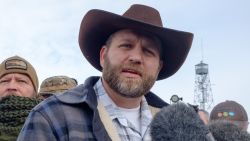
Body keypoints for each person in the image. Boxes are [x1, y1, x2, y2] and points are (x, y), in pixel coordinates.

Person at [17, 4, 193, 140]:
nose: (136, 57)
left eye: (148, 51)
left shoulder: (181, 127)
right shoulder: (51, 117)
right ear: (103, 55)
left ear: (159, 67)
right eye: (126, 45)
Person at [0, 55, 41, 141]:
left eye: (21, 81)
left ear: (35, 92)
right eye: (4, 81)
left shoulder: (53, 123)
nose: (12, 86)